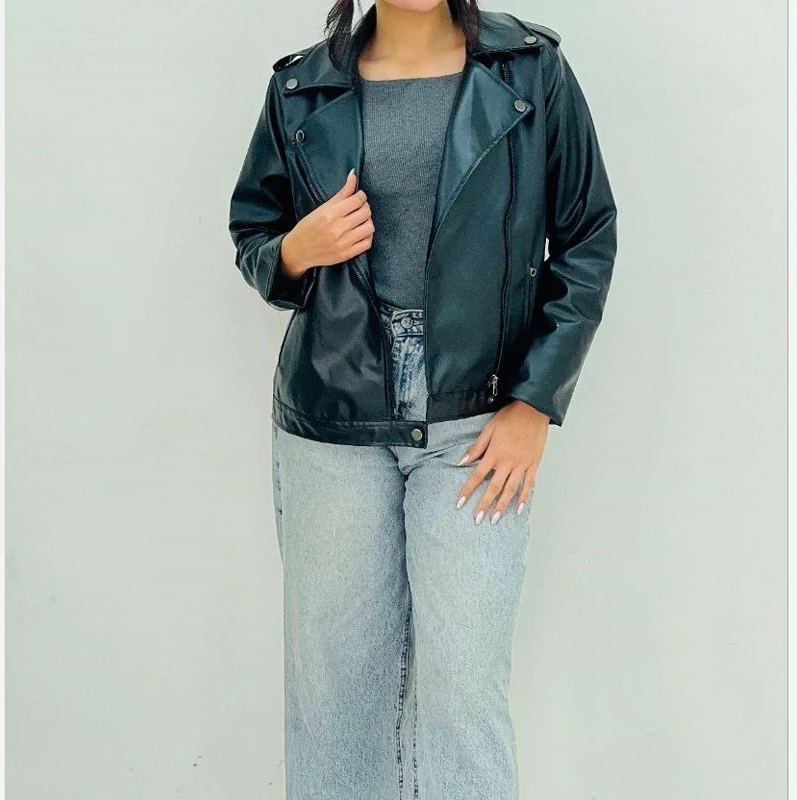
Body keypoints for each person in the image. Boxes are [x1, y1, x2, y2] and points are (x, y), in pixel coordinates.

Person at [228, 0, 617, 797]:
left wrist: (534, 403)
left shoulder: (529, 71)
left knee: (463, 693)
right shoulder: (301, 88)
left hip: (480, 423)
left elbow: (587, 237)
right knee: (337, 696)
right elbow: (254, 234)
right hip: (333, 420)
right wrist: (296, 249)